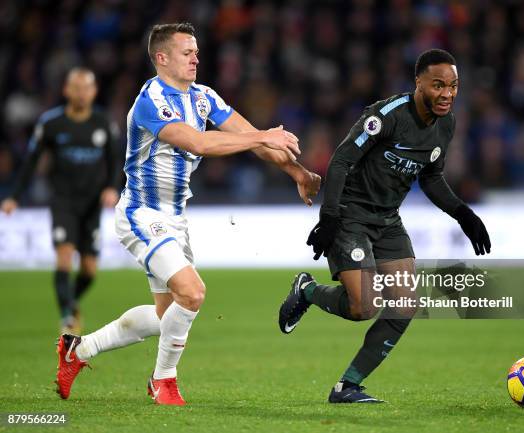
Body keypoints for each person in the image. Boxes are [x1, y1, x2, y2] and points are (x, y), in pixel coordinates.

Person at [54, 22, 321, 406]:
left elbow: (248, 134)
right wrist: (262, 136)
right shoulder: (151, 100)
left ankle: (77, 351)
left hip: (175, 219)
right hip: (141, 214)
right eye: (187, 52)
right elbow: (199, 142)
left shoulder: (203, 98)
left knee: (169, 316)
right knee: (193, 293)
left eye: (196, 51)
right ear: (162, 58)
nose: (196, 58)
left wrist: (297, 172)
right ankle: (163, 381)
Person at [278, 49, 491, 403]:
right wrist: (329, 216)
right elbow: (343, 159)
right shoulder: (387, 115)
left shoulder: (447, 124)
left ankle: (347, 387)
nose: (447, 94)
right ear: (418, 82)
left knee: (405, 306)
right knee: (364, 307)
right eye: (438, 85)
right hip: (350, 215)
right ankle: (309, 291)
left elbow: (432, 177)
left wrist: (463, 214)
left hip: (388, 220)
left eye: (453, 86)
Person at [1, 68, 120, 334]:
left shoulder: (103, 123)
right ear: (66, 90)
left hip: (92, 204)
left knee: (90, 269)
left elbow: (115, 160)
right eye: (75, 87)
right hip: (63, 201)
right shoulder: (51, 123)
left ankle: (71, 300)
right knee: (64, 256)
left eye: (86, 88)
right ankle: (67, 316)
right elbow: (30, 162)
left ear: (94, 91)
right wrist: (14, 196)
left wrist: (112, 188)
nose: (80, 93)